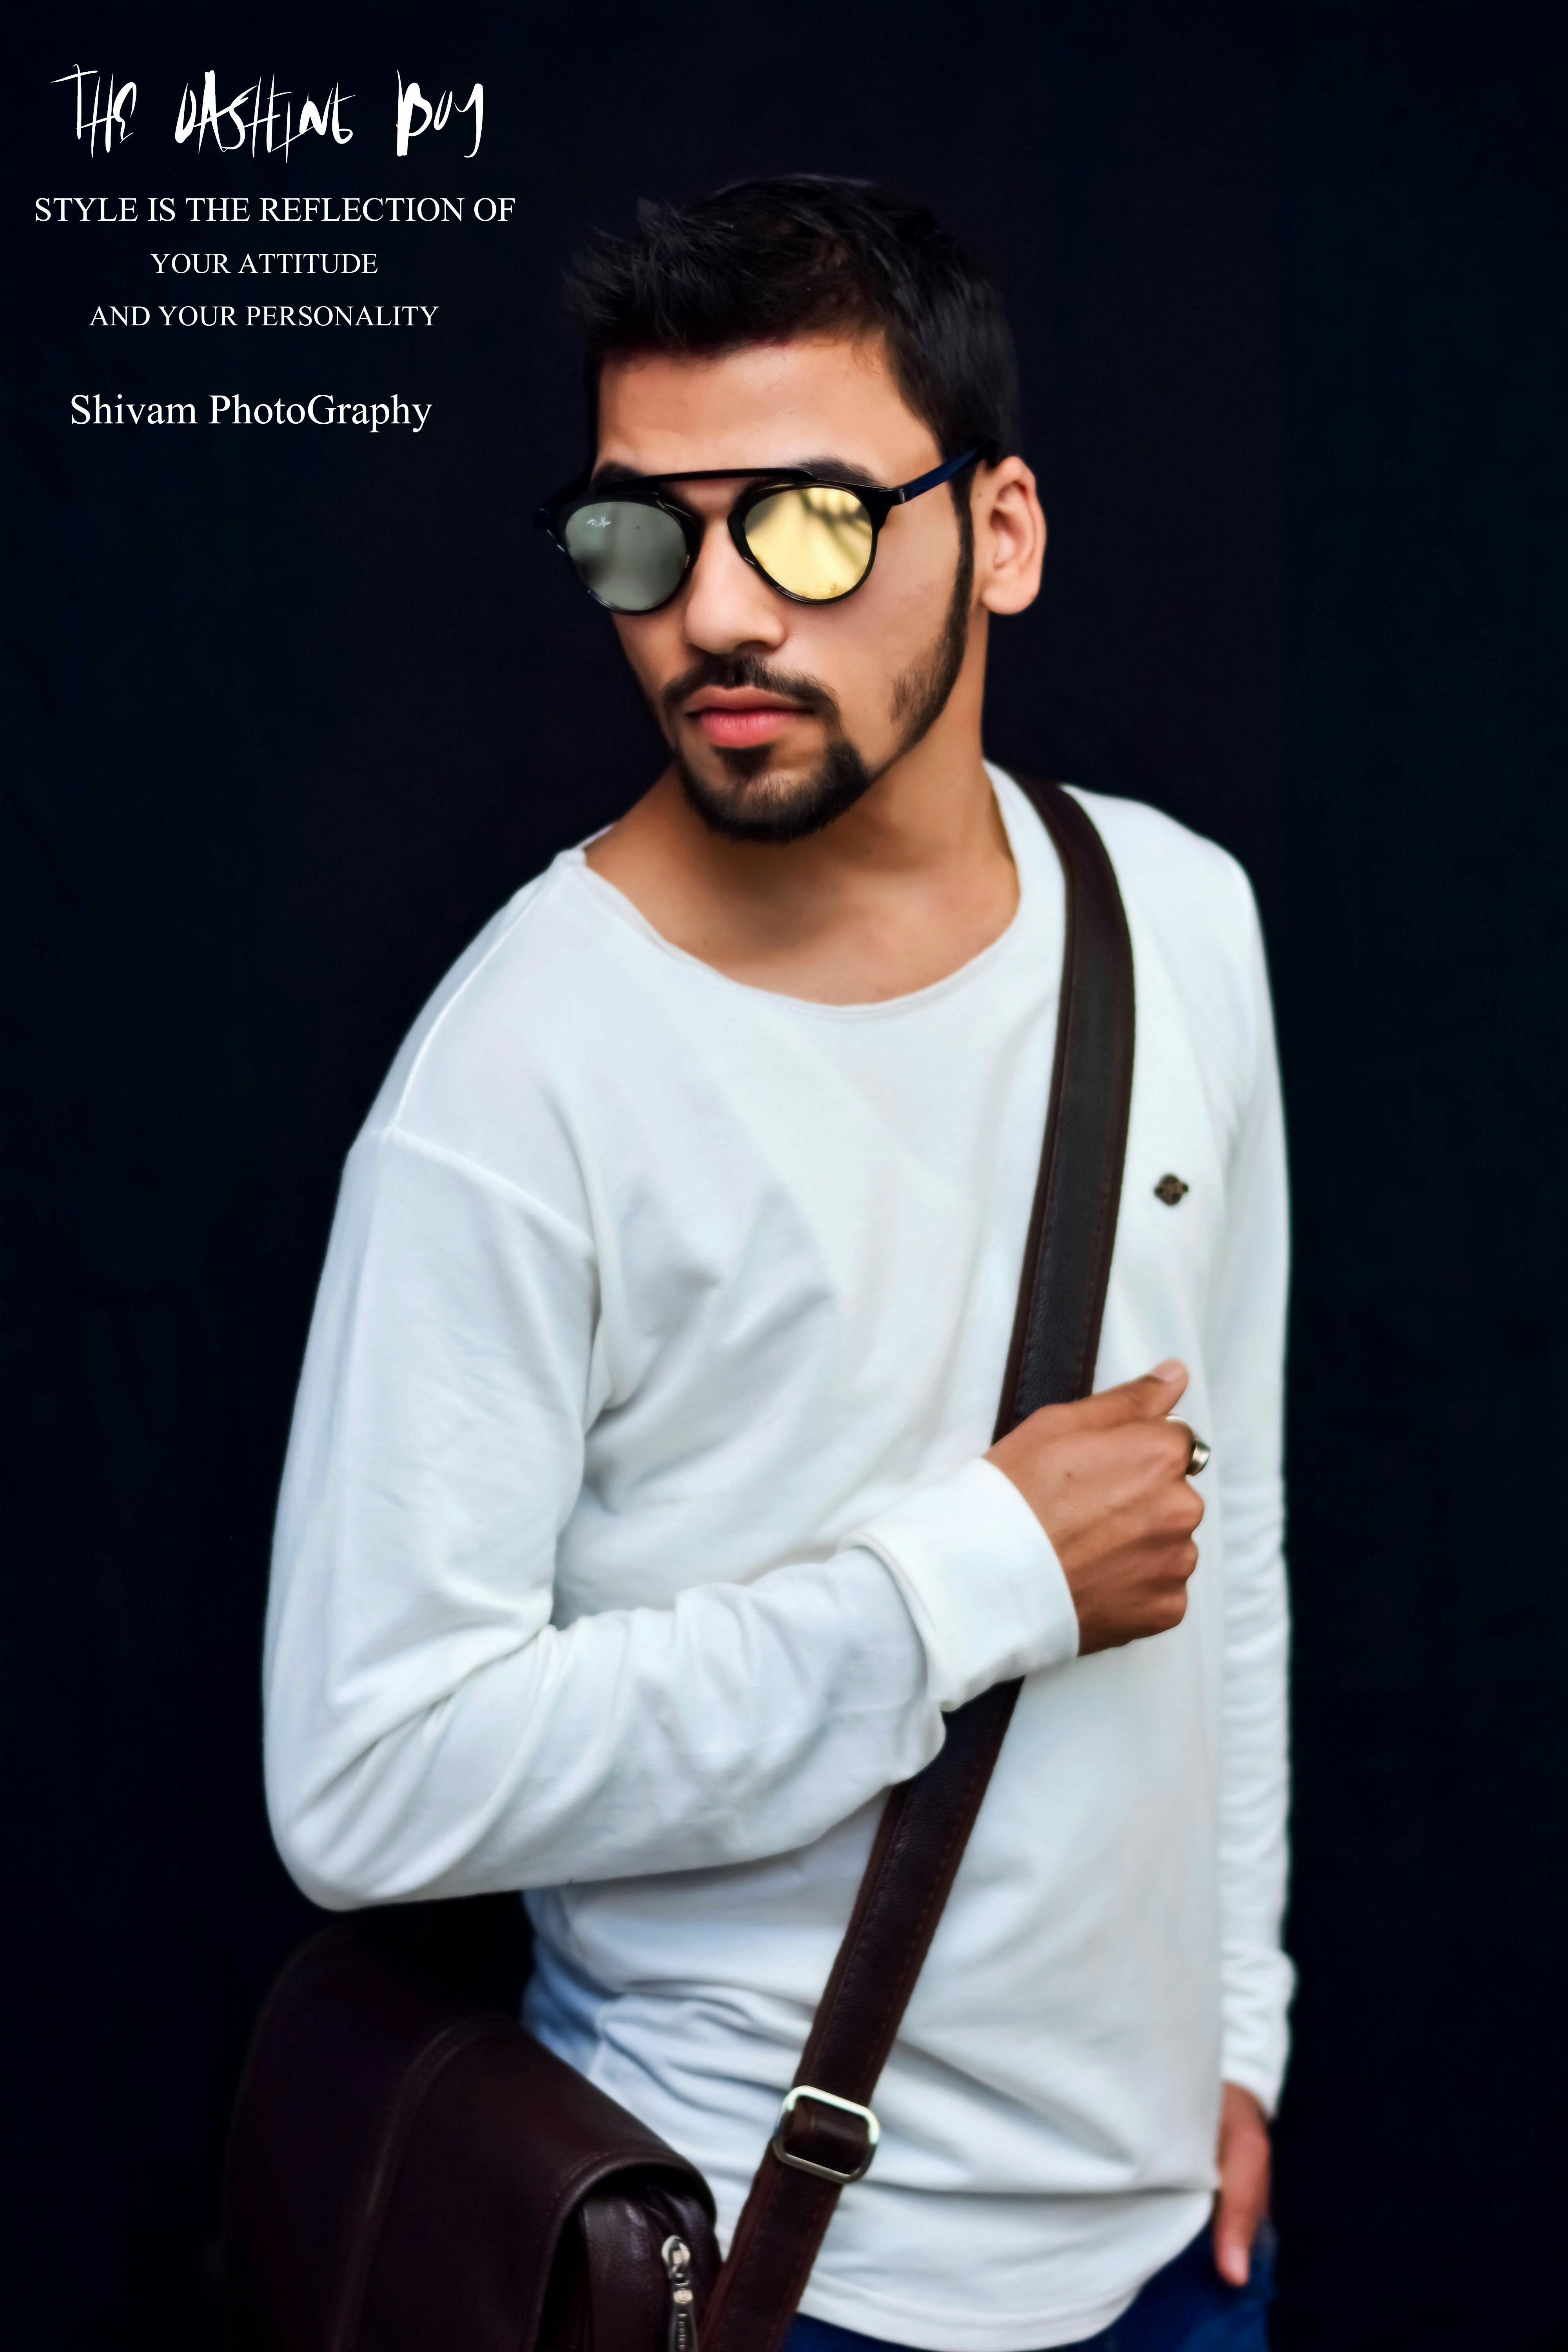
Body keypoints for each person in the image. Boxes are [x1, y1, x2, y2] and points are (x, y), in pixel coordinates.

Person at [263, 178, 1291, 2352]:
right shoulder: (520, 1073)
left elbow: (1237, 1526)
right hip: (757, 2266)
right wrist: (961, 1582)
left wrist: (1243, 2033)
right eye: (645, 535)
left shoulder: (1179, 920)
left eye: (812, 522)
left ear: (999, 532)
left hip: (1175, 2268)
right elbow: (367, 1775)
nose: (714, 614)